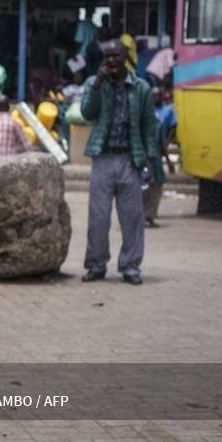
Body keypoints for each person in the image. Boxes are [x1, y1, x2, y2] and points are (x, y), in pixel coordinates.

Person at [81, 40, 158, 286]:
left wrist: (150, 158)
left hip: (129, 159)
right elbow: (86, 113)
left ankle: (131, 266)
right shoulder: (95, 84)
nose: (111, 60)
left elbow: (149, 124)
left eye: (116, 55)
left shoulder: (141, 87)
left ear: (125, 57)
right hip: (102, 158)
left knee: (132, 217)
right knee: (98, 218)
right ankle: (96, 265)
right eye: (107, 56)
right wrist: (97, 83)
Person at [143, 86, 177, 228]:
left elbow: (162, 142)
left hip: (155, 157)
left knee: (156, 187)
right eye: (153, 95)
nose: (156, 98)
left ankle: (150, 216)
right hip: (145, 157)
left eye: (158, 95)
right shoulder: (145, 115)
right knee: (145, 188)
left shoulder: (163, 114)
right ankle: (144, 216)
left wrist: (168, 161)